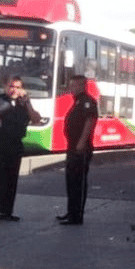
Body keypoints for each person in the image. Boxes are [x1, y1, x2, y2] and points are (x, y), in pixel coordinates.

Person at [0, 75, 41, 224]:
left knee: (11, 179)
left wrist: (28, 104)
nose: (14, 90)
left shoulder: (24, 104)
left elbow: (36, 119)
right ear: (6, 87)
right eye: (11, 86)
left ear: (22, 89)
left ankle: (6, 212)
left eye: (18, 87)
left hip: (15, 144)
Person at [57, 75, 98, 226]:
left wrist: (81, 142)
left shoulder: (88, 102)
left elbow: (90, 121)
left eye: (73, 86)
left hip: (81, 149)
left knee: (78, 182)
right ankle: (71, 211)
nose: (70, 89)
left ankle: (77, 216)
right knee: (70, 181)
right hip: (72, 147)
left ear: (82, 86)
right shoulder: (77, 102)